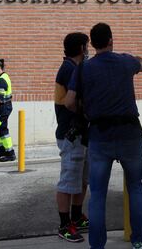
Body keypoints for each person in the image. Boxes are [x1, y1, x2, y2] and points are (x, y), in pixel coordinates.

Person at [65, 23, 142, 249]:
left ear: (91, 43)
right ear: (111, 40)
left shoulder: (83, 68)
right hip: (130, 133)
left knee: (98, 193)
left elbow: (69, 101)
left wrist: (83, 110)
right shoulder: (125, 61)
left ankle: (98, 245)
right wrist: (136, 59)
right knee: (135, 188)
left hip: (99, 136)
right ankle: (139, 240)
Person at [54, 33, 90, 243]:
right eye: (86, 46)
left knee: (81, 179)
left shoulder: (74, 67)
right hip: (71, 134)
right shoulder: (69, 69)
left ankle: (77, 216)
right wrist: (84, 113)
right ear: (81, 48)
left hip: (80, 134)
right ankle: (64, 224)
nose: (88, 50)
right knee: (69, 180)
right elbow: (69, 102)